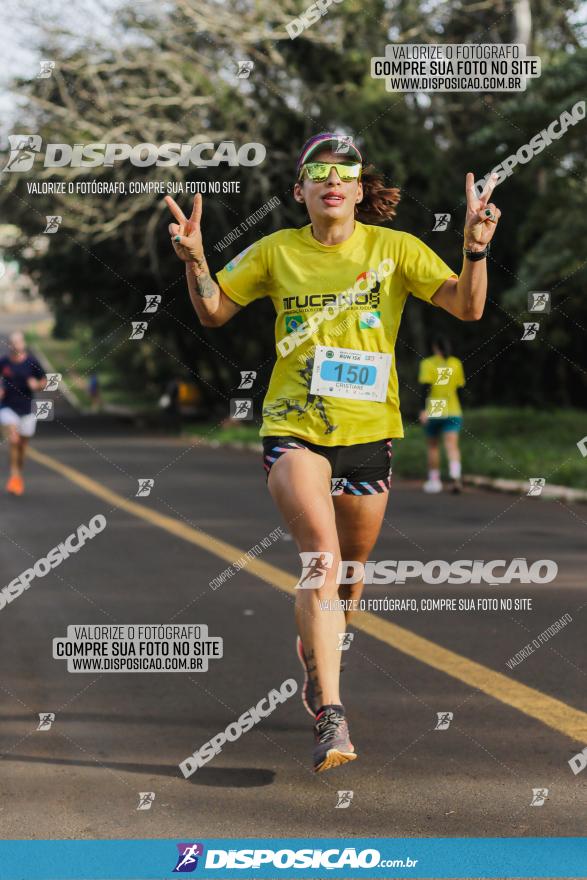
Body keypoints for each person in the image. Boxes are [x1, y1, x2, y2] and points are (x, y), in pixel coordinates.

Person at [165, 132, 501, 772]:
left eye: (343, 171)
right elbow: (212, 312)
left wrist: (475, 250)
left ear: (356, 186)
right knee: (321, 557)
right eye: (317, 172)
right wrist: (195, 260)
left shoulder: (395, 249)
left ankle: (318, 656)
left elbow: (467, 306)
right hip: (294, 426)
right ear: (301, 191)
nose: (331, 180)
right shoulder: (276, 251)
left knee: (351, 573)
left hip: (370, 434)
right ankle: (332, 712)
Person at [0, 331, 47, 495]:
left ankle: (18, 474)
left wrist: (37, 385)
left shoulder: (32, 362)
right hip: (7, 407)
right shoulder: (4, 361)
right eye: (12, 343)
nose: (15, 345)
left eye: (18, 342)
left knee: (22, 446)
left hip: (27, 409)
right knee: (13, 439)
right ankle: (14, 476)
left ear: (23, 344)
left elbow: (45, 381)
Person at [418, 336, 466, 494]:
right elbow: (460, 388)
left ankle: (434, 481)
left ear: (434, 347)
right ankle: (455, 475)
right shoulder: (456, 363)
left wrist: (422, 409)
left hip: (435, 408)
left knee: (433, 446)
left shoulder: (427, 363)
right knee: (452, 446)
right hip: (453, 408)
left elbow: (425, 387)